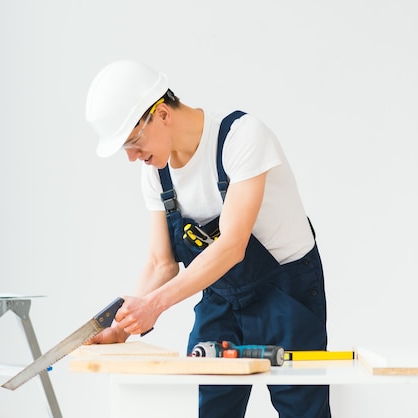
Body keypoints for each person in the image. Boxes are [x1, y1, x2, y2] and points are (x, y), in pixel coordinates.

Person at [84, 59, 331, 418]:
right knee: (214, 410)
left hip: (285, 293)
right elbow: (161, 263)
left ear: (163, 114)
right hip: (222, 297)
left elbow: (232, 245)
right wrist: (121, 326)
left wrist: (154, 305)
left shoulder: (242, 137)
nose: (133, 157)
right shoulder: (156, 173)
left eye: (134, 142)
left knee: (301, 411)